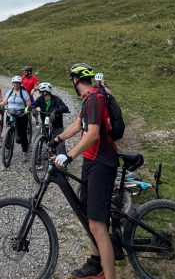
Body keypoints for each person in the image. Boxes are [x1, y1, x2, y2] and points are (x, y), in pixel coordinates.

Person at [50, 63, 119, 279]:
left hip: (102, 163)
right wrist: (57, 139)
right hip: (92, 162)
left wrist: (69, 155)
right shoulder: (88, 99)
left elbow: (93, 135)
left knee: (98, 225)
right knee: (88, 216)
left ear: (75, 80)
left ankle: (109, 276)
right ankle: (95, 264)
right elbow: (79, 125)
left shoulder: (95, 98)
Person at [0, 75, 32, 160]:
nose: (16, 84)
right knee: (8, 132)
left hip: (21, 114)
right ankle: (8, 148)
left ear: (20, 83)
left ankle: (24, 151)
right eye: (14, 83)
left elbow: (28, 103)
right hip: (10, 113)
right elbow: (5, 101)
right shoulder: (9, 92)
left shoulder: (24, 93)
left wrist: (27, 108)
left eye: (18, 83)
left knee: (22, 134)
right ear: (12, 83)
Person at [30, 82, 69, 153]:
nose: (39, 92)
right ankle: (46, 150)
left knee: (60, 144)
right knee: (36, 138)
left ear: (47, 91)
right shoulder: (40, 99)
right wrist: (33, 108)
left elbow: (65, 108)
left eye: (41, 91)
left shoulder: (56, 99)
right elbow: (31, 105)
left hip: (57, 124)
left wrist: (55, 111)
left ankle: (62, 159)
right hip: (45, 123)